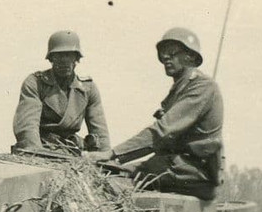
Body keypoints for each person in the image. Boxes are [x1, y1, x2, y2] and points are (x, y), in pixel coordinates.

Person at [91, 27, 224, 200]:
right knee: (108, 170)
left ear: (191, 56)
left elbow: (161, 132)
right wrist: (116, 159)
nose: (166, 57)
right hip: (175, 166)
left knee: (112, 184)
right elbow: (161, 141)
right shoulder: (179, 91)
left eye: (172, 52)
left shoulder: (203, 87)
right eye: (163, 54)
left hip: (193, 172)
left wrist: (112, 154)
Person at [12, 30, 109, 154]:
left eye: (69, 55)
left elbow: (100, 131)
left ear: (77, 58)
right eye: (59, 56)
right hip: (42, 146)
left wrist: (104, 156)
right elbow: (27, 125)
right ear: (51, 58)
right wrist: (37, 153)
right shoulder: (35, 83)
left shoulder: (87, 88)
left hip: (71, 150)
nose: (64, 61)